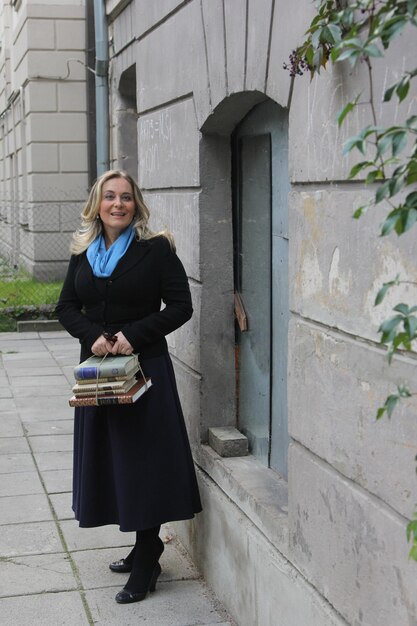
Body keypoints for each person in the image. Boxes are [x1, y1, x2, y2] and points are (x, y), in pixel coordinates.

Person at [56, 169, 202, 604]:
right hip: (99, 371)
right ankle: (145, 546)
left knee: (143, 463)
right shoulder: (83, 251)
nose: (117, 204)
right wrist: (92, 334)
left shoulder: (155, 250)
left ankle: (146, 558)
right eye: (109, 196)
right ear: (96, 204)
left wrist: (133, 334)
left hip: (145, 370)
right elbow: (66, 305)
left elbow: (181, 306)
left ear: (135, 204)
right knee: (112, 462)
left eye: (125, 197)